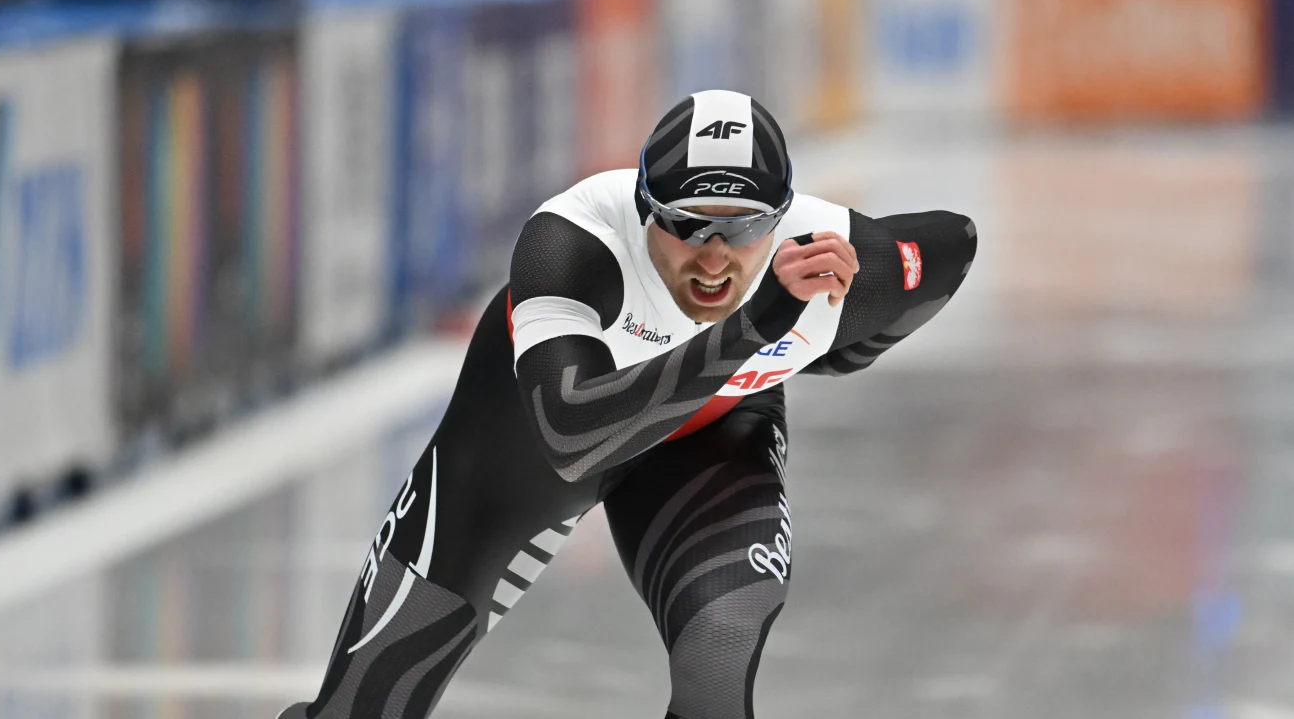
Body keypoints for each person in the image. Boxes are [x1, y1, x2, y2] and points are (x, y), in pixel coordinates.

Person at [278, 89, 978, 719]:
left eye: (741, 229)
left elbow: (955, 243)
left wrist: (841, 347)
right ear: (645, 207)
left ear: (783, 217)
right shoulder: (574, 242)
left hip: (709, 430)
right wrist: (762, 326)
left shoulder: (842, 257)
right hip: (527, 436)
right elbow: (571, 435)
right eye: (688, 226)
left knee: (721, 647)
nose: (713, 258)